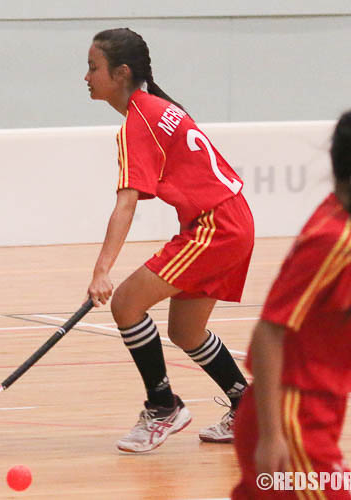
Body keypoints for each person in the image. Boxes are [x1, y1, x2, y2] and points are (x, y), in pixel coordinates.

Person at [84, 28, 254, 452]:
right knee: (186, 330)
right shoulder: (158, 107)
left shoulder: (138, 122)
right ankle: (248, 408)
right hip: (231, 220)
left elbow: (126, 205)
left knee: (125, 303)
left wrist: (102, 270)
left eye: (93, 68)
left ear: (121, 73)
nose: (86, 77)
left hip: (216, 227)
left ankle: (163, 407)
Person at [232, 104, 351, 498]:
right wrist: (273, 434)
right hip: (292, 423)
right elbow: (268, 332)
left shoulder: (349, 228)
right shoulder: (335, 239)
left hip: (305, 420)